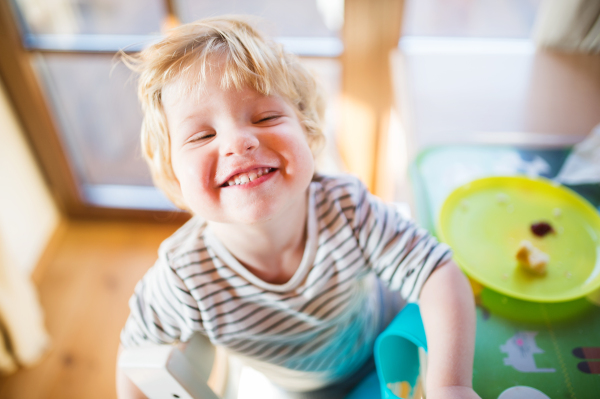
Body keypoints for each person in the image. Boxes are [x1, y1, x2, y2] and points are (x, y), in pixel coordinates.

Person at [116, 16, 480, 399]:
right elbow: (137, 359)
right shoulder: (182, 279)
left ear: (307, 131)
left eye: (266, 117)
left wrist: (451, 386)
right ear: (173, 175)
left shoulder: (347, 209)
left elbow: (438, 271)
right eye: (203, 135)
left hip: (384, 347)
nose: (239, 142)